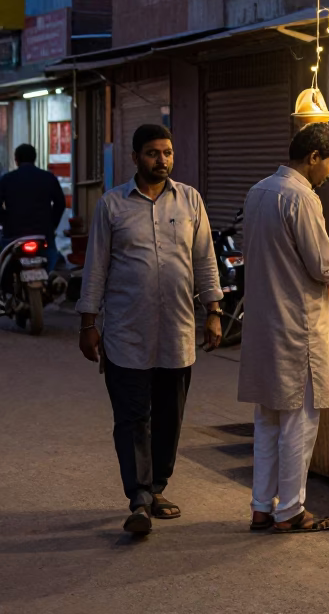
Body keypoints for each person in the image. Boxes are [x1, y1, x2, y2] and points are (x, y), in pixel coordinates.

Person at [238, 123, 329, 533]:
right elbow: (322, 269)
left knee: (268, 417)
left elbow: (283, 243)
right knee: (299, 422)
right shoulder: (303, 197)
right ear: (313, 158)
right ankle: (291, 511)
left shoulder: (260, 191)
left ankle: (260, 507)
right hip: (296, 326)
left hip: (264, 323)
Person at [77, 124, 223, 537]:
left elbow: (205, 260)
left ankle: (158, 487)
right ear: (136, 157)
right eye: (153, 153)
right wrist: (89, 323)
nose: (162, 160)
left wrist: (213, 310)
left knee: (169, 417)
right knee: (131, 418)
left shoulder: (190, 199)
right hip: (126, 333)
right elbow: (97, 268)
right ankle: (139, 499)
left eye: (168, 152)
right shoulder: (112, 206)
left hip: (177, 331)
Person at [0, 142, 67, 271]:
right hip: (42, 232)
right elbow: (60, 203)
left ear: (16, 160)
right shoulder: (48, 177)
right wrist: (51, 224)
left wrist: (6, 221)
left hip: (13, 234)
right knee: (53, 261)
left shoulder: (7, 179)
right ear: (34, 158)